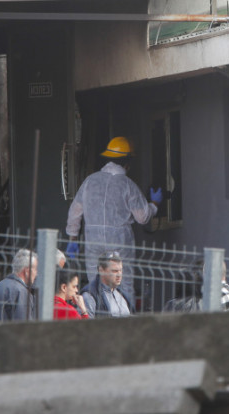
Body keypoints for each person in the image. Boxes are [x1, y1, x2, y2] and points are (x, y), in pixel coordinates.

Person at [65, 136, 161, 302]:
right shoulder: (126, 184)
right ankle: (124, 322)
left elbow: (74, 212)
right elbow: (143, 216)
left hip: (93, 242)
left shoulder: (90, 182)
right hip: (119, 244)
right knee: (123, 286)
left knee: (95, 286)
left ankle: (96, 321)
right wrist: (154, 204)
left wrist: (73, 239)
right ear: (127, 162)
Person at [0, 248, 37, 323]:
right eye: (36, 269)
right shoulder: (22, 292)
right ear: (27, 271)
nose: (36, 273)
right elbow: (24, 328)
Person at [80, 253, 133, 318]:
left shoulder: (122, 293)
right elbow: (86, 324)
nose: (119, 275)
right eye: (115, 271)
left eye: (121, 270)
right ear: (101, 270)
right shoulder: (90, 295)